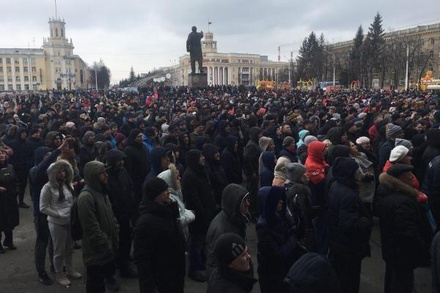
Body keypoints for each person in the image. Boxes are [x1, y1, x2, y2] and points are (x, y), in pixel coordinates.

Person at [377, 164, 430, 293]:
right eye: (409, 175)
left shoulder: (386, 193)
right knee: (403, 282)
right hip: (402, 252)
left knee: (393, 278)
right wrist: (421, 246)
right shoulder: (403, 201)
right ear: (400, 179)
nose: (412, 177)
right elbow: (407, 230)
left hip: (391, 248)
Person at [327, 157, 372, 293]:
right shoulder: (348, 195)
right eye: (356, 171)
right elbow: (348, 224)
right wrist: (365, 221)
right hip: (348, 247)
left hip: (337, 243)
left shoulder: (336, 185)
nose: (359, 174)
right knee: (350, 280)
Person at [134, 177, 186, 293]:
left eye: (167, 188)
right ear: (155, 195)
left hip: (175, 273)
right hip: (162, 278)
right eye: (164, 190)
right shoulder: (145, 223)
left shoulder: (168, 210)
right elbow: (142, 259)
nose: (168, 192)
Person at [77, 161, 119, 293]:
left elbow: (110, 215)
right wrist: (106, 243)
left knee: (102, 279)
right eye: (102, 173)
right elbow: (91, 228)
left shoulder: (101, 191)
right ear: (93, 176)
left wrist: (115, 229)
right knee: (95, 284)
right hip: (96, 251)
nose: (106, 175)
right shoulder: (86, 197)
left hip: (107, 247)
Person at [39, 160, 82, 287]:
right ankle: (59, 274)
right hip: (56, 223)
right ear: (52, 173)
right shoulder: (47, 187)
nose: (62, 173)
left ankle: (70, 269)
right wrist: (58, 214)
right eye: (58, 171)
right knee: (59, 250)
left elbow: (72, 201)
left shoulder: (68, 184)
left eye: (63, 170)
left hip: (70, 221)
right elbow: (43, 207)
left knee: (70, 248)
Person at [256, 185, 305, 293]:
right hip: (274, 276)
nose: (282, 202)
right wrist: (293, 240)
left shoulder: (280, 217)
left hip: (282, 272)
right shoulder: (264, 226)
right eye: (278, 200)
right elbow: (277, 255)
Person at [182, 149, 218, 282]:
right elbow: (194, 200)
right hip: (199, 216)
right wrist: (203, 215)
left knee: (203, 241)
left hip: (208, 212)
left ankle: (202, 262)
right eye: (200, 156)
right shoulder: (189, 176)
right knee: (196, 242)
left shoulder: (201, 171)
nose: (203, 158)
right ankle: (194, 269)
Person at [104, 149, 138, 278]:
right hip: (115, 215)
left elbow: (130, 186)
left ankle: (124, 262)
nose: (121, 162)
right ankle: (115, 269)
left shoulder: (123, 172)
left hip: (127, 212)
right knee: (113, 243)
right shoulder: (106, 175)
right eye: (119, 160)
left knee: (126, 239)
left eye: (122, 160)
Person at [206, 183, 251, 277]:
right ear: (234, 204)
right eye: (244, 201)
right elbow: (214, 264)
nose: (248, 204)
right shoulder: (221, 230)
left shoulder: (234, 219)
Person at [0, 147, 18, 253]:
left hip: (10, 198)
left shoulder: (10, 167)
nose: (1, 155)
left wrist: (16, 191)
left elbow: (15, 180)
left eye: (2, 153)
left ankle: (9, 241)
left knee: (9, 220)